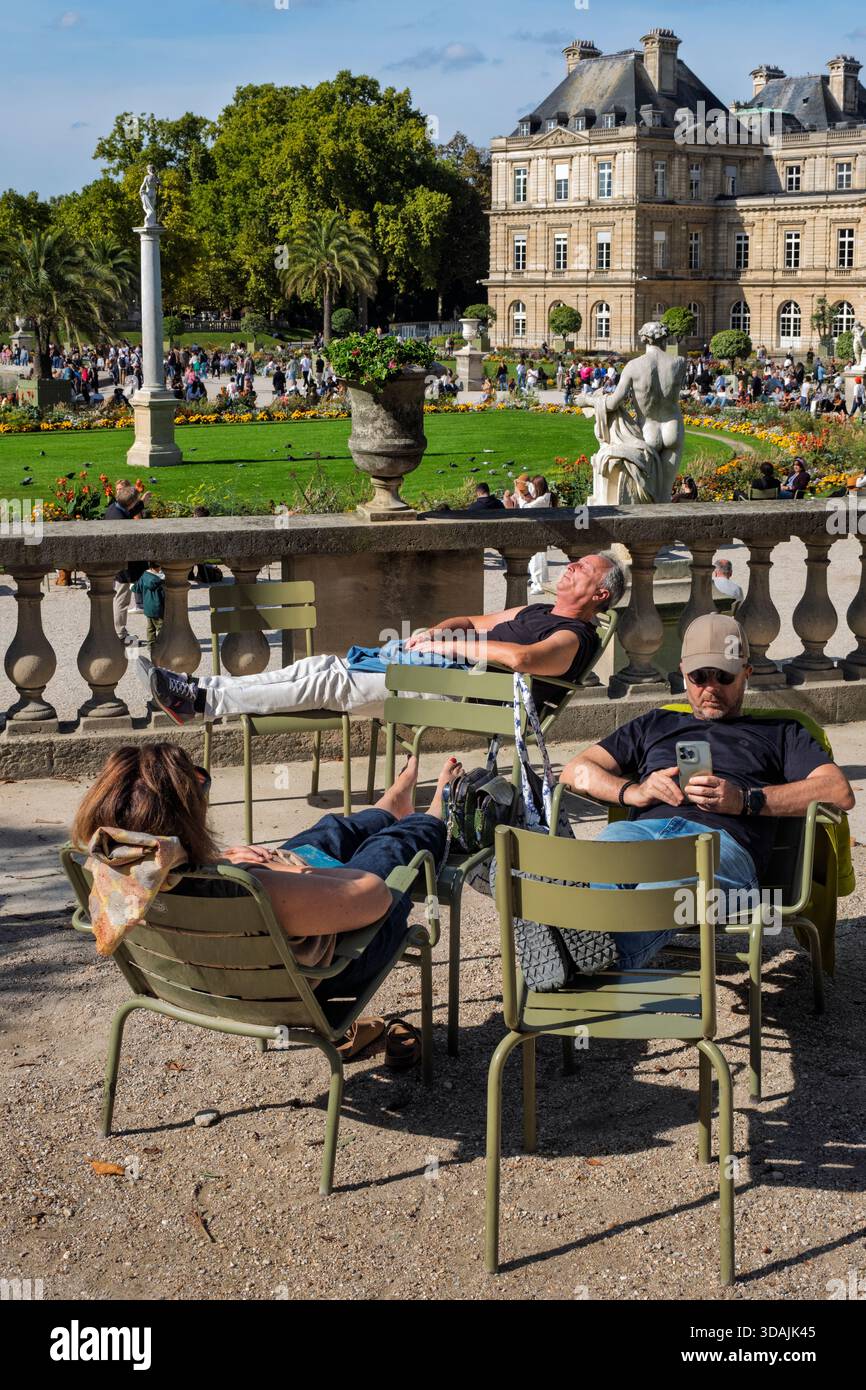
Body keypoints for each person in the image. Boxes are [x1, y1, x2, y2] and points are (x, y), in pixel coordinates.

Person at [70, 741, 460, 1048]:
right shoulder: (251, 889)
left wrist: (224, 858)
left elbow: (200, 873)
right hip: (315, 977)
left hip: (224, 975)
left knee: (326, 833)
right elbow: (375, 896)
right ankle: (432, 814)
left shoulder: (113, 872)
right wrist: (274, 868)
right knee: (393, 850)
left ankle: (390, 805)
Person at [558, 615, 854, 973]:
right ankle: (579, 951)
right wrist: (632, 791)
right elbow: (576, 771)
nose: (711, 687)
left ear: (747, 673)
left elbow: (838, 793)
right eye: (700, 676)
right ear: (683, 672)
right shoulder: (657, 723)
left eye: (724, 676)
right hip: (639, 833)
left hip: (721, 845)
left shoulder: (781, 732)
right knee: (596, 865)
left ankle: (581, 959)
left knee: (669, 891)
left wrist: (745, 799)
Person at [141, 552, 625, 725]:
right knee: (318, 669)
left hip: (474, 695)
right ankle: (198, 694)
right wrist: (442, 629)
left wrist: (442, 647)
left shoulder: (573, 635)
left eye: (585, 568)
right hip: (455, 678)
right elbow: (476, 620)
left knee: (329, 684)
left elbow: (520, 658)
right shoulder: (539, 608)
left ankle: (201, 700)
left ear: (600, 593)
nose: (573, 566)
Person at [104, 480, 152, 645]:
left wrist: (141, 504)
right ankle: (120, 633)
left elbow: (126, 512)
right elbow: (127, 519)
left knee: (121, 597)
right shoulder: (120, 519)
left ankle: (119, 631)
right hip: (124, 565)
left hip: (118, 562)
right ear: (130, 503)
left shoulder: (113, 509)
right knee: (121, 599)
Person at [134, 564, 166, 645]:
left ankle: (151, 645)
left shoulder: (144, 575)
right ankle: (162, 645)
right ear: (158, 567)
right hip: (157, 608)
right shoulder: (160, 579)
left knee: (150, 628)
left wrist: (131, 587)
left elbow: (137, 588)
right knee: (161, 628)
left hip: (148, 607)